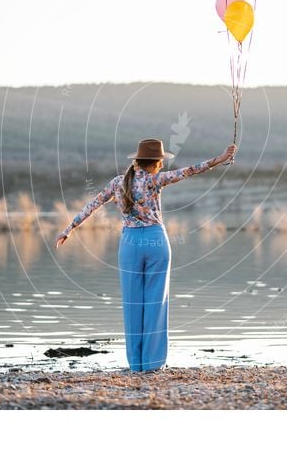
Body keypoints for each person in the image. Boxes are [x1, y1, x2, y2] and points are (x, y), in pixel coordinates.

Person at [55, 138, 237, 372]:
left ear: (138, 160)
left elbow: (93, 205)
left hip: (130, 244)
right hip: (156, 243)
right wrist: (220, 159)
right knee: (155, 304)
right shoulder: (156, 180)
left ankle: (136, 365)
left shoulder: (118, 183)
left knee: (132, 305)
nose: (161, 166)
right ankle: (153, 364)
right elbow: (190, 171)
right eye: (160, 162)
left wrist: (69, 229)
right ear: (156, 163)